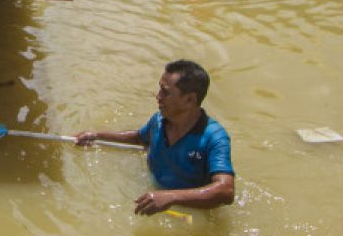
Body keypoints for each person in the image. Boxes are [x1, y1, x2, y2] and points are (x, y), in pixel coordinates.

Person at [74, 60, 235, 215]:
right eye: (160, 89)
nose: (158, 96)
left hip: (188, 213)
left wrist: (170, 197)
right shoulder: (158, 121)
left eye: (165, 92)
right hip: (156, 199)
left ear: (190, 99)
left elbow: (226, 191)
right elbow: (138, 138)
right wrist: (96, 135)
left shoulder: (214, 137)